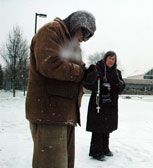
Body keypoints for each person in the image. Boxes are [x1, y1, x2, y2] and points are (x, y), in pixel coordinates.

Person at [25, 10, 96, 168]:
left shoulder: (72, 44)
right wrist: (81, 73)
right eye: (85, 33)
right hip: (49, 114)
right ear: (77, 24)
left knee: (64, 164)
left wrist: (89, 73)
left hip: (65, 115)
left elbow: (79, 69)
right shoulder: (51, 32)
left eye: (89, 36)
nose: (85, 39)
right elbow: (50, 64)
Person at [83, 51, 125, 161]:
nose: (111, 61)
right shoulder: (98, 69)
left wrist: (120, 86)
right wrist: (101, 86)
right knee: (98, 127)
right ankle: (96, 151)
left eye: (113, 59)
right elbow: (87, 83)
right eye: (110, 58)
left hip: (110, 104)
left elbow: (121, 86)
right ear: (105, 59)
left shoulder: (117, 72)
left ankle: (105, 148)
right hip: (99, 103)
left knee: (107, 126)